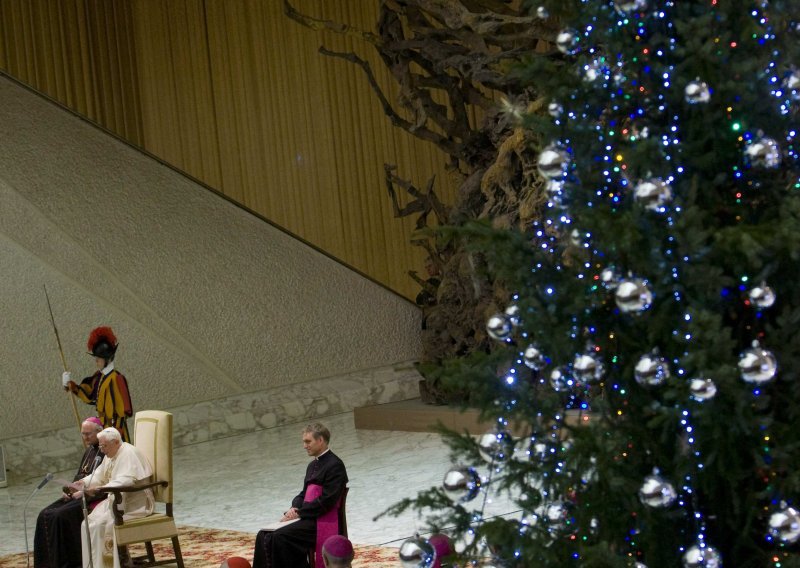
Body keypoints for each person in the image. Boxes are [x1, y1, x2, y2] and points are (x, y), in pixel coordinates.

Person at [252, 423, 348, 568]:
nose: (304, 446)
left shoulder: (335, 465)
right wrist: (294, 507)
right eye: (304, 442)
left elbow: (327, 501)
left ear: (320, 440)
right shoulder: (312, 465)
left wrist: (300, 513)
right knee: (263, 535)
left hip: (322, 520)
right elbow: (303, 494)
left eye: (308, 441)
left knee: (280, 537)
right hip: (308, 516)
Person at [69, 427, 154, 568]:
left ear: (115, 442)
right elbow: (99, 475)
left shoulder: (128, 453)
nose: (101, 450)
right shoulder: (111, 454)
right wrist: (83, 482)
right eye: (100, 446)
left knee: (102, 524)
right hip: (116, 501)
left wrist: (100, 488)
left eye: (104, 446)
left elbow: (126, 481)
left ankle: (113, 565)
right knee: (88, 524)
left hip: (135, 504)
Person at [33, 418, 106, 568]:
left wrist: (82, 491)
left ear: (99, 432)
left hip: (93, 495)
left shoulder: (105, 451)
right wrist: (68, 489)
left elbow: (102, 480)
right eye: (83, 434)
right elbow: (79, 476)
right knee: (44, 514)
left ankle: (70, 563)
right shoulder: (89, 450)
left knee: (59, 516)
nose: (85, 437)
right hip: (78, 494)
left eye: (88, 434)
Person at [62, 326, 133, 442]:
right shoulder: (99, 377)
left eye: (98, 359)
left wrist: (116, 434)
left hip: (116, 433)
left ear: (107, 359)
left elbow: (122, 412)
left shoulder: (117, 379)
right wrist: (71, 385)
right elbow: (89, 395)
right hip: (104, 430)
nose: (96, 362)